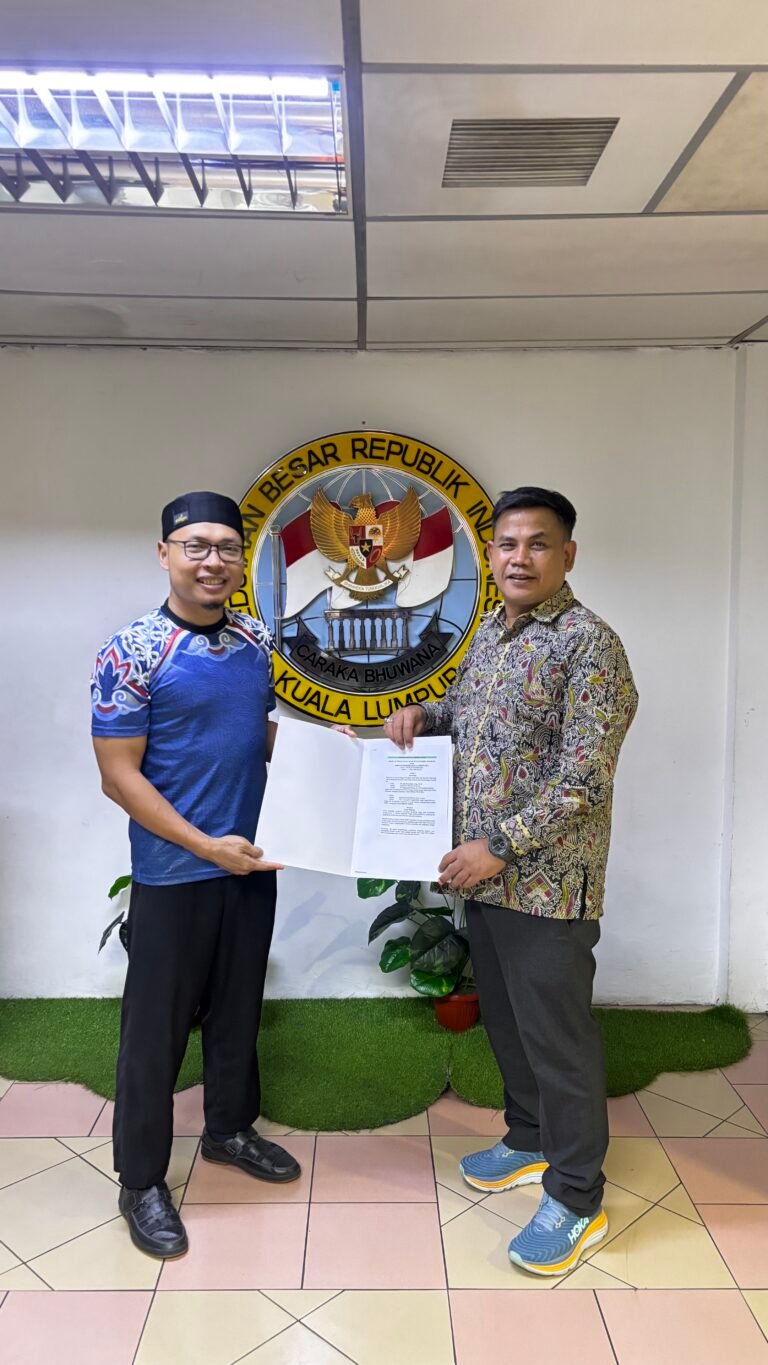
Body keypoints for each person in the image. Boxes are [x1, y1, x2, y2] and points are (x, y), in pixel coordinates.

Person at [386, 486, 637, 1276]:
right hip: (485, 882)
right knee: (507, 1022)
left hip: (547, 887)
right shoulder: (494, 635)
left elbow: (582, 781)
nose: (519, 557)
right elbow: (470, 716)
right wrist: (423, 716)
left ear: (568, 554)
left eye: (537, 543)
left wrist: (497, 845)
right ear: (490, 556)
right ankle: (529, 1137)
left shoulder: (590, 646)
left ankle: (577, 1195)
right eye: (507, 544)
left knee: (559, 1041)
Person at [91, 490, 300, 1259]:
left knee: (239, 1009)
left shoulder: (251, 639)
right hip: (175, 872)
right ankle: (141, 1179)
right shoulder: (132, 652)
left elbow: (250, 729)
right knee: (155, 1030)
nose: (213, 561)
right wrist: (206, 845)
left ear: (242, 560)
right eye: (196, 546)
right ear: (165, 554)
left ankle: (229, 1129)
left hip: (250, 863)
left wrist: (323, 754)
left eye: (227, 548)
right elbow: (119, 775)